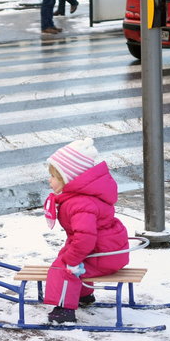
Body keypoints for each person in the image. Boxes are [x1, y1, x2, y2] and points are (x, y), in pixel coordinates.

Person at [42, 138, 130, 324]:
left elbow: (85, 239)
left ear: (68, 178)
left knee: (62, 267)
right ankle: (84, 296)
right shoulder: (82, 197)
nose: (49, 180)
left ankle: (63, 311)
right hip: (108, 251)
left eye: (54, 177)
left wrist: (70, 261)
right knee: (70, 256)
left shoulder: (80, 203)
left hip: (103, 255)